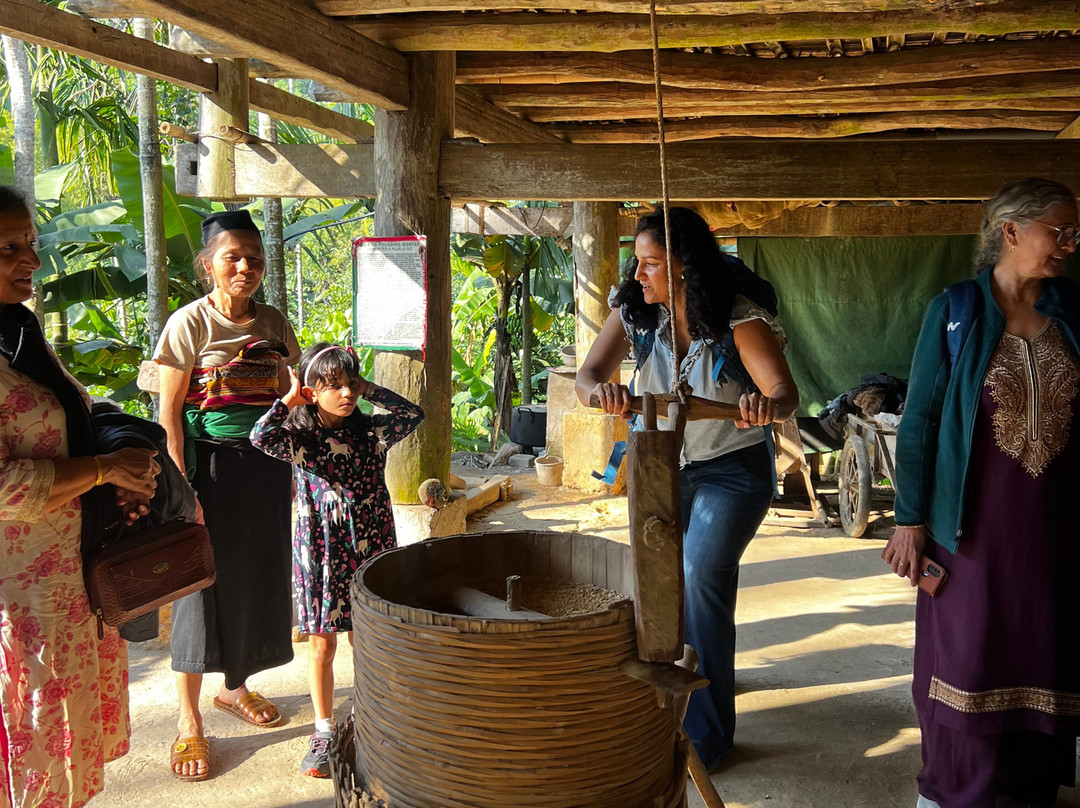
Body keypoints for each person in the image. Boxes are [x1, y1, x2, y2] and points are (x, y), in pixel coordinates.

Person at [575, 207, 798, 771]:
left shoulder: (737, 318)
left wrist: (762, 405)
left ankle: (705, 738)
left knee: (700, 578)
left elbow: (784, 392)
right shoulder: (635, 313)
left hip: (731, 468)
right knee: (660, 581)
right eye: (638, 262)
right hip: (660, 465)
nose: (639, 275)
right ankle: (662, 704)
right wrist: (603, 393)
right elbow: (586, 378)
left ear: (684, 269)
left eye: (651, 264)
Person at [884, 177, 1080, 808]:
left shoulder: (1073, 312)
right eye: (1059, 229)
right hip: (971, 531)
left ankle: (1030, 792)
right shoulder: (955, 311)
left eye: (1074, 232)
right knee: (968, 658)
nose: (1069, 244)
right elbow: (919, 421)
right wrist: (910, 520)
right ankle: (952, 794)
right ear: (1011, 231)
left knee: (1045, 655)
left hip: (1052, 530)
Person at [0, 185, 160, 806]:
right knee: (30, 765)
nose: (31, 261)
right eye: (9, 247)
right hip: (19, 610)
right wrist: (101, 469)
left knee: (62, 767)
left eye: (31, 244)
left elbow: (69, 427)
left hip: (67, 590)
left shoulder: (19, 334)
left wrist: (117, 474)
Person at [154, 210, 300, 781]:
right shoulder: (188, 324)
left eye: (255, 258)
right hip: (208, 470)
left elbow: (293, 395)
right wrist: (181, 484)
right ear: (208, 264)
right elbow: (169, 410)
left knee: (253, 577)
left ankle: (235, 688)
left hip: (266, 470)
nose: (246, 267)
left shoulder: (272, 322)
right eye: (233, 256)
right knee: (197, 585)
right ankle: (189, 719)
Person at [250, 343, 423, 777]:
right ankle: (324, 730)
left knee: (366, 638)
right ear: (312, 392)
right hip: (322, 552)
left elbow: (411, 414)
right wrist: (289, 399)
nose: (346, 393)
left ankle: (371, 716)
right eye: (334, 386)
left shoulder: (371, 433)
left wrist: (369, 388)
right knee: (323, 644)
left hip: (372, 545)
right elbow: (259, 436)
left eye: (351, 384)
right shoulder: (299, 439)